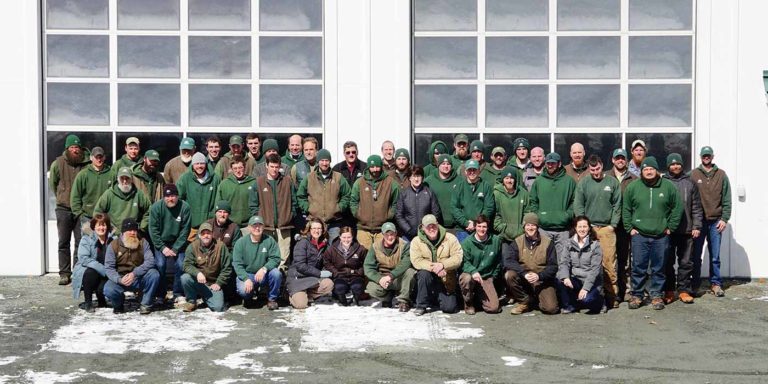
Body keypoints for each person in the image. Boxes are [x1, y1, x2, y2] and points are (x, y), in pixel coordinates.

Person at [622, 156, 683, 310]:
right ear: (642, 171)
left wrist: (671, 227)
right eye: (646, 169)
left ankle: (656, 295)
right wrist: (630, 228)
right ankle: (637, 295)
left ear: (657, 171)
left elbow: (677, 208)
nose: (648, 172)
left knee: (659, 268)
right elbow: (626, 209)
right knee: (638, 267)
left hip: (661, 235)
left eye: (651, 169)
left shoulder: (668, 186)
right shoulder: (633, 187)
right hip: (639, 235)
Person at [573, 155, 621, 308]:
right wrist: (584, 225)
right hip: (590, 229)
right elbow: (579, 204)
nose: (595, 172)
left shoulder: (612, 182)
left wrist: (612, 225)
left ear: (602, 165)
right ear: (589, 169)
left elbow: (617, 205)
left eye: (598, 169)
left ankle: (612, 296)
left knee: (609, 264)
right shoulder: (584, 183)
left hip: (607, 228)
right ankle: (590, 295)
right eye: (592, 170)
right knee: (587, 263)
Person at [690, 146, 732, 297]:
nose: (706, 157)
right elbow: (689, 198)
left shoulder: (721, 175)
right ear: (701, 156)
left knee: (715, 256)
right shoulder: (693, 174)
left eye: (709, 155)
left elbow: (726, 198)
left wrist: (724, 218)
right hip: (699, 222)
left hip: (715, 222)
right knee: (695, 255)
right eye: (704, 155)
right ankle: (694, 284)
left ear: (713, 157)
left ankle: (716, 283)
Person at [50, 134, 90, 285]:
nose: (75, 150)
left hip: (80, 209)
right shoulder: (58, 163)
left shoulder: (86, 163)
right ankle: (64, 273)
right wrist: (62, 196)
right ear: (67, 149)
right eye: (72, 147)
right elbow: (53, 183)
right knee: (63, 241)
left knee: (81, 241)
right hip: (63, 208)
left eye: (77, 147)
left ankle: (77, 271)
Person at [664, 153, 703, 304]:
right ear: (668, 166)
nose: (675, 166)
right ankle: (668, 290)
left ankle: (683, 290)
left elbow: (696, 207)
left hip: (687, 230)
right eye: (673, 164)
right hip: (668, 230)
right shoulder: (663, 182)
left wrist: (697, 225)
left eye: (678, 164)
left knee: (686, 262)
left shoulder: (690, 183)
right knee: (667, 262)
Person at [503, 213, 559, 315]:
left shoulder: (548, 242)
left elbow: (553, 266)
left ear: (537, 227)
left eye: (533, 225)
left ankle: (535, 300)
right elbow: (509, 261)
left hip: (541, 280)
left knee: (551, 308)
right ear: (524, 227)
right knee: (509, 275)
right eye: (527, 225)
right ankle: (524, 301)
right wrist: (524, 273)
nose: (530, 227)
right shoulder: (517, 241)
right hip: (524, 277)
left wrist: (539, 276)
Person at [250, 153, 297, 270]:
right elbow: (253, 205)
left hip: (284, 226)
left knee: (284, 258)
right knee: (266, 256)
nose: (274, 170)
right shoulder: (259, 182)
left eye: (277, 167)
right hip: (266, 227)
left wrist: (290, 215)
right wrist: (259, 219)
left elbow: (294, 201)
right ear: (266, 165)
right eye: (272, 166)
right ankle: (266, 284)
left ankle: (283, 282)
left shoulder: (287, 181)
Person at [103, 218, 160, 315]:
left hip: (138, 277)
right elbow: (109, 268)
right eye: (129, 230)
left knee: (154, 274)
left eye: (134, 230)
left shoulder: (143, 242)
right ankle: (118, 304)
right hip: (121, 279)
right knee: (108, 289)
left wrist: (134, 273)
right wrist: (119, 279)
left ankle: (145, 303)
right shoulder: (113, 245)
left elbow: (151, 261)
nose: (133, 233)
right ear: (123, 232)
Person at [409, 214, 463, 316]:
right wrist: (435, 268)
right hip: (427, 277)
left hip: (445, 278)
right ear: (423, 228)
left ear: (437, 225)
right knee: (423, 274)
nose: (431, 229)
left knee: (450, 308)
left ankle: (436, 299)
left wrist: (443, 265)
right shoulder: (416, 241)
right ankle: (421, 305)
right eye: (428, 226)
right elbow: (416, 261)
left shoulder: (450, 238)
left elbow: (458, 257)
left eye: (433, 226)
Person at [528, 152, 575, 266]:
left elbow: (574, 202)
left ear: (559, 164)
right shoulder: (539, 181)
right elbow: (533, 201)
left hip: (563, 229)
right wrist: (539, 216)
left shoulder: (569, 181)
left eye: (553, 164)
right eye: (548, 163)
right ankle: (545, 283)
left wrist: (567, 215)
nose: (550, 166)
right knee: (543, 259)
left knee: (562, 261)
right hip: (544, 228)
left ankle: (560, 283)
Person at [296, 149, 351, 244]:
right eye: (322, 160)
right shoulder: (309, 178)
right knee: (314, 249)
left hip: (334, 223)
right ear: (318, 161)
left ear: (330, 161)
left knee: (333, 250)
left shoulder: (338, 177)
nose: (324, 163)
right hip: (314, 223)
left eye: (327, 160)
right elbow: (301, 196)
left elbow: (347, 195)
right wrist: (308, 208)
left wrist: (339, 208)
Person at [148, 184, 191, 304]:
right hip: (161, 241)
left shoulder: (184, 207)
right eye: (167, 196)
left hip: (178, 241)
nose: (170, 199)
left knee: (181, 263)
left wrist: (176, 248)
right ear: (163, 197)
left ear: (177, 196)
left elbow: (185, 230)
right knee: (160, 264)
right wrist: (162, 247)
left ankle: (178, 293)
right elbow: (153, 230)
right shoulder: (156, 207)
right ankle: (160, 294)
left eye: (172, 196)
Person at [604, 148, 636, 301]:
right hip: (608, 225)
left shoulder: (634, 179)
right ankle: (612, 291)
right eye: (617, 158)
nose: (620, 160)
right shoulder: (605, 177)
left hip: (625, 226)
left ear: (626, 160)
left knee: (625, 260)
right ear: (612, 160)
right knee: (609, 259)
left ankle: (627, 291)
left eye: (622, 158)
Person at [555, 216, 604, 314]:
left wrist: (585, 288)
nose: (582, 229)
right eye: (580, 227)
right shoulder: (569, 243)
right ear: (575, 228)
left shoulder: (595, 245)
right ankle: (570, 305)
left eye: (585, 227)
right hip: (576, 280)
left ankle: (602, 302)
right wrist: (565, 277)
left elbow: (595, 271)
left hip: (592, 283)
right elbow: (564, 262)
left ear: (589, 228)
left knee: (587, 301)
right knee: (559, 279)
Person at [180, 222, 233, 312]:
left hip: (213, 284)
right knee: (185, 278)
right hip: (198, 282)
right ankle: (191, 301)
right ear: (199, 235)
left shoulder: (221, 246)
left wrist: (219, 283)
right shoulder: (193, 246)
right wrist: (198, 273)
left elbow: (227, 267)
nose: (206, 236)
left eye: (208, 233)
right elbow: (186, 265)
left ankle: (207, 297)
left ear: (212, 234)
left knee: (218, 308)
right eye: (203, 233)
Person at [232, 215, 282, 310]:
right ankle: (248, 298)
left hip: (264, 274)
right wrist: (246, 278)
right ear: (249, 227)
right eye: (254, 225)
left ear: (263, 227)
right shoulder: (241, 243)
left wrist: (264, 268)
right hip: (248, 274)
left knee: (276, 274)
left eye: (260, 225)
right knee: (243, 290)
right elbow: (237, 264)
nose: (257, 228)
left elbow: (276, 258)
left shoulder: (269, 240)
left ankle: (272, 299)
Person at [350, 155, 399, 249]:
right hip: (363, 229)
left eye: (377, 166)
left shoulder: (390, 182)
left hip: (383, 229)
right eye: (372, 167)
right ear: (368, 168)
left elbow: (396, 202)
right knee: (364, 257)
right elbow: (353, 201)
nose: (375, 169)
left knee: (381, 256)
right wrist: (358, 214)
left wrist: (389, 216)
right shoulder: (359, 182)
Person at [364, 222, 415, 312]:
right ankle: (387, 298)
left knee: (410, 272)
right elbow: (368, 267)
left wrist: (391, 276)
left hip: (398, 278)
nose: (389, 237)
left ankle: (404, 301)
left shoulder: (404, 245)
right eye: (386, 235)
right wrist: (379, 279)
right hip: (383, 278)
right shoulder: (375, 246)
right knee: (371, 288)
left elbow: (406, 263)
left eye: (392, 234)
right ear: (382, 235)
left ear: (396, 233)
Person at [286, 217, 334, 309]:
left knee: (329, 284)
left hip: (311, 278)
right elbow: (300, 266)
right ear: (309, 229)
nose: (317, 231)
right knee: (301, 305)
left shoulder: (323, 245)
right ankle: (289, 294)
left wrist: (326, 270)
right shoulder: (302, 243)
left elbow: (324, 263)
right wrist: (319, 273)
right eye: (314, 228)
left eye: (319, 228)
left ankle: (307, 295)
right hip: (298, 278)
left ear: (323, 230)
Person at [71, 214, 114, 312]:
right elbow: (84, 258)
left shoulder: (113, 240)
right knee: (91, 273)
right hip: (90, 269)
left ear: (107, 226)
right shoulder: (86, 239)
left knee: (102, 287)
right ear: (94, 226)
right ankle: (88, 302)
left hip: (107, 270)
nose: (101, 228)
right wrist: (103, 269)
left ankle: (101, 299)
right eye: (98, 225)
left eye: (103, 225)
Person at [459, 215, 502, 315]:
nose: (481, 229)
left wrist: (493, 276)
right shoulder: (467, 243)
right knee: (466, 279)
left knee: (494, 308)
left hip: (486, 277)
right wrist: (473, 271)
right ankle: (468, 303)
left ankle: (479, 298)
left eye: (484, 227)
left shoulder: (496, 241)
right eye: (479, 226)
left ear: (488, 227)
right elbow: (464, 262)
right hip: (471, 275)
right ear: (475, 227)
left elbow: (498, 261)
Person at [93, 166, 151, 235]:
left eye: (127, 178)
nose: (124, 181)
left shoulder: (138, 194)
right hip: (113, 234)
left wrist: (141, 227)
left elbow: (150, 210)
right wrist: (110, 228)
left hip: (133, 233)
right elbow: (97, 212)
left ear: (132, 179)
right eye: (122, 178)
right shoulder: (109, 194)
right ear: (117, 179)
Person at [177, 152, 221, 240]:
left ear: (206, 164)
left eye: (202, 163)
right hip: (191, 226)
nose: (199, 166)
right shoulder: (185, 179)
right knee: (192, 250)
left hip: (209, 226)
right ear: (192, 165)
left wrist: (213, 217)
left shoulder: (215, 179)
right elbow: (179, 199)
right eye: (197, 163)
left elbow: (218, 200)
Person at [451, 159, 495, 242]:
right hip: (463, 230)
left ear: (479, 171)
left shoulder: (486, 186)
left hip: (481, 229)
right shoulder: (459, 186)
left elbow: (489, 207)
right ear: (465, 172)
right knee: (464, 254)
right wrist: (466, 223)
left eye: (474, 170)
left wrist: (477, 223)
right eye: (469, 170)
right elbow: (454, 208)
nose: (472, 172)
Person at [322, 226, 367, 306]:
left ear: (352, 237)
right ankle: (342, 300)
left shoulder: (360, 249)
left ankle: (356, 299)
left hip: (355, 275)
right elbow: (326, 262)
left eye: (349, 237)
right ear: (340, 237)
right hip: (340, 275)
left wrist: (359, 272)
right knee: (339, 287)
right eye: (344, 237)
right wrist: (335, 272)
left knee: (357, 287)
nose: (346, 240)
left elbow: (366, 263)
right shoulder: (332, 249)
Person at [395, 165, 441, 241]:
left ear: (422, 177)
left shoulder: (429, 193)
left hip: (426, 234)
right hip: (407, 235)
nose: (416, 179)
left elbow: (436, 213)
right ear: (409, 178)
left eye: (418, 176)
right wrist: (408, 229)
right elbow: (399, 215)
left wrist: (427, 228)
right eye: (413, 176)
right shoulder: (404, 194)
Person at [70, 146, 112, 226]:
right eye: (96, 157)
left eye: (101, 157)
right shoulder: (83, 174)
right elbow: (75, 197)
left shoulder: (111, 174)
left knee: (107, 239)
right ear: (91, 158)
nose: (99, 160)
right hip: (87, 217)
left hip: (106, 218)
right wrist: (80, 215)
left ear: (104, 157)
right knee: (88, 238)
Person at [215, 156, 256, 227]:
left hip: (249, 224)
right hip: (230, 225)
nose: (238, 171)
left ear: (244, 167)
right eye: (235, 168)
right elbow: (218, 205)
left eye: (240, 168)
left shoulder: (253, 183)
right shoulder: (224, 184)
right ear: (231, 169)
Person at [424, 154, 460, 232]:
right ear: (438, 165)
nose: (446, 166)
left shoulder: (459, 181)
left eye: (448, 164)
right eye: (443, 164)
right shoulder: (429, 181)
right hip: (435, 225)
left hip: (456, 226)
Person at [493, 166, 528, 243]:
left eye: (511, 178)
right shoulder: (496, 194)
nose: (509, 181)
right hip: (503, 237)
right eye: (506, 178)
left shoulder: (523, 193)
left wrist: (522, 228)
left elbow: (527, 212)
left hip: (521, 236)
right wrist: (503, 228)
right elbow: (495, 215)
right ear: (503, 179)